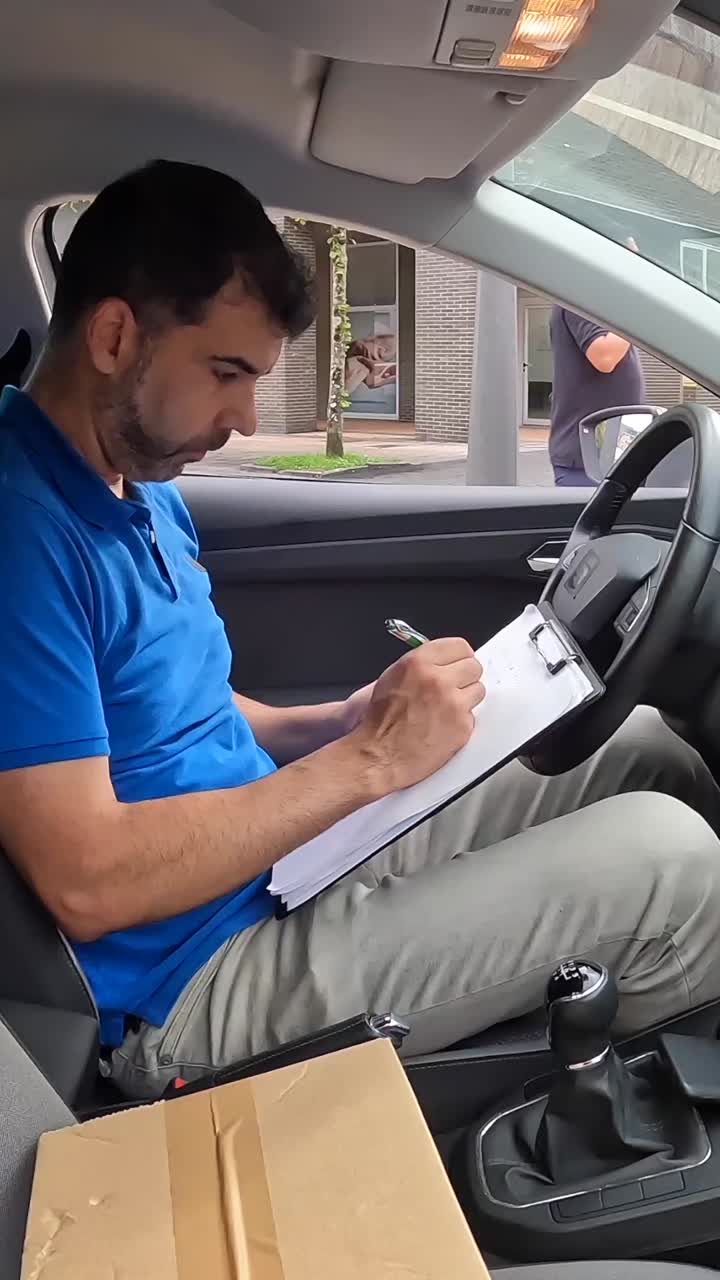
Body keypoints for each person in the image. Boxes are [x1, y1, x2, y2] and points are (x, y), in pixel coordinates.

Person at [1, 161, 720, 1101]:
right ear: (112, 335)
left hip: (280, 865)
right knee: (673, 866)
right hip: (188, 985)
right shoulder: (21, 534)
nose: (245, 418)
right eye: (226, 374)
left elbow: (184, 713)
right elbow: (87, 882)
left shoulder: (139, 482)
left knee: (641, 748)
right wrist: (371, 763)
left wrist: (340, 723)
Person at [549, 248, 647, 486]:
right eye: (630, 258)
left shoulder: (607, 307)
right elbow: (604, 356)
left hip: (611, 453)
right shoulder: (580, 295)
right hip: (589, 460)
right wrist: (642, 306)